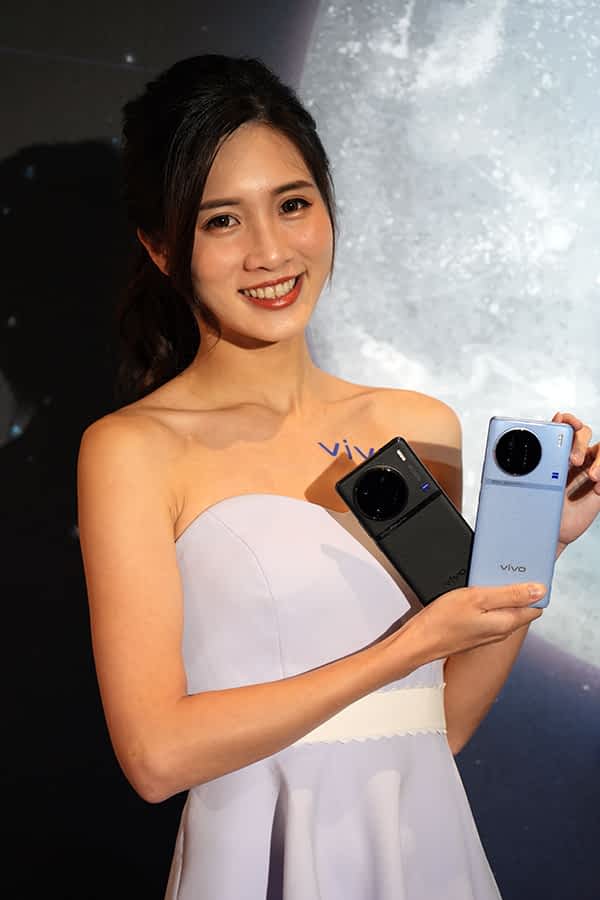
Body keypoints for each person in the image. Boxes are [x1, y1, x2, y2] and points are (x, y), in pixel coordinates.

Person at [76, 55, 600, 900]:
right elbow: (156, 756)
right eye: (222, 221)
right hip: (257, 856)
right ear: (161, 247)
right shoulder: (133, 449)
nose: (271, 252)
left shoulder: (416, 425)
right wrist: (407, 647)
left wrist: (539, 547)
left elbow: (443, 721)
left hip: (423, 849)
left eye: (293, 204)